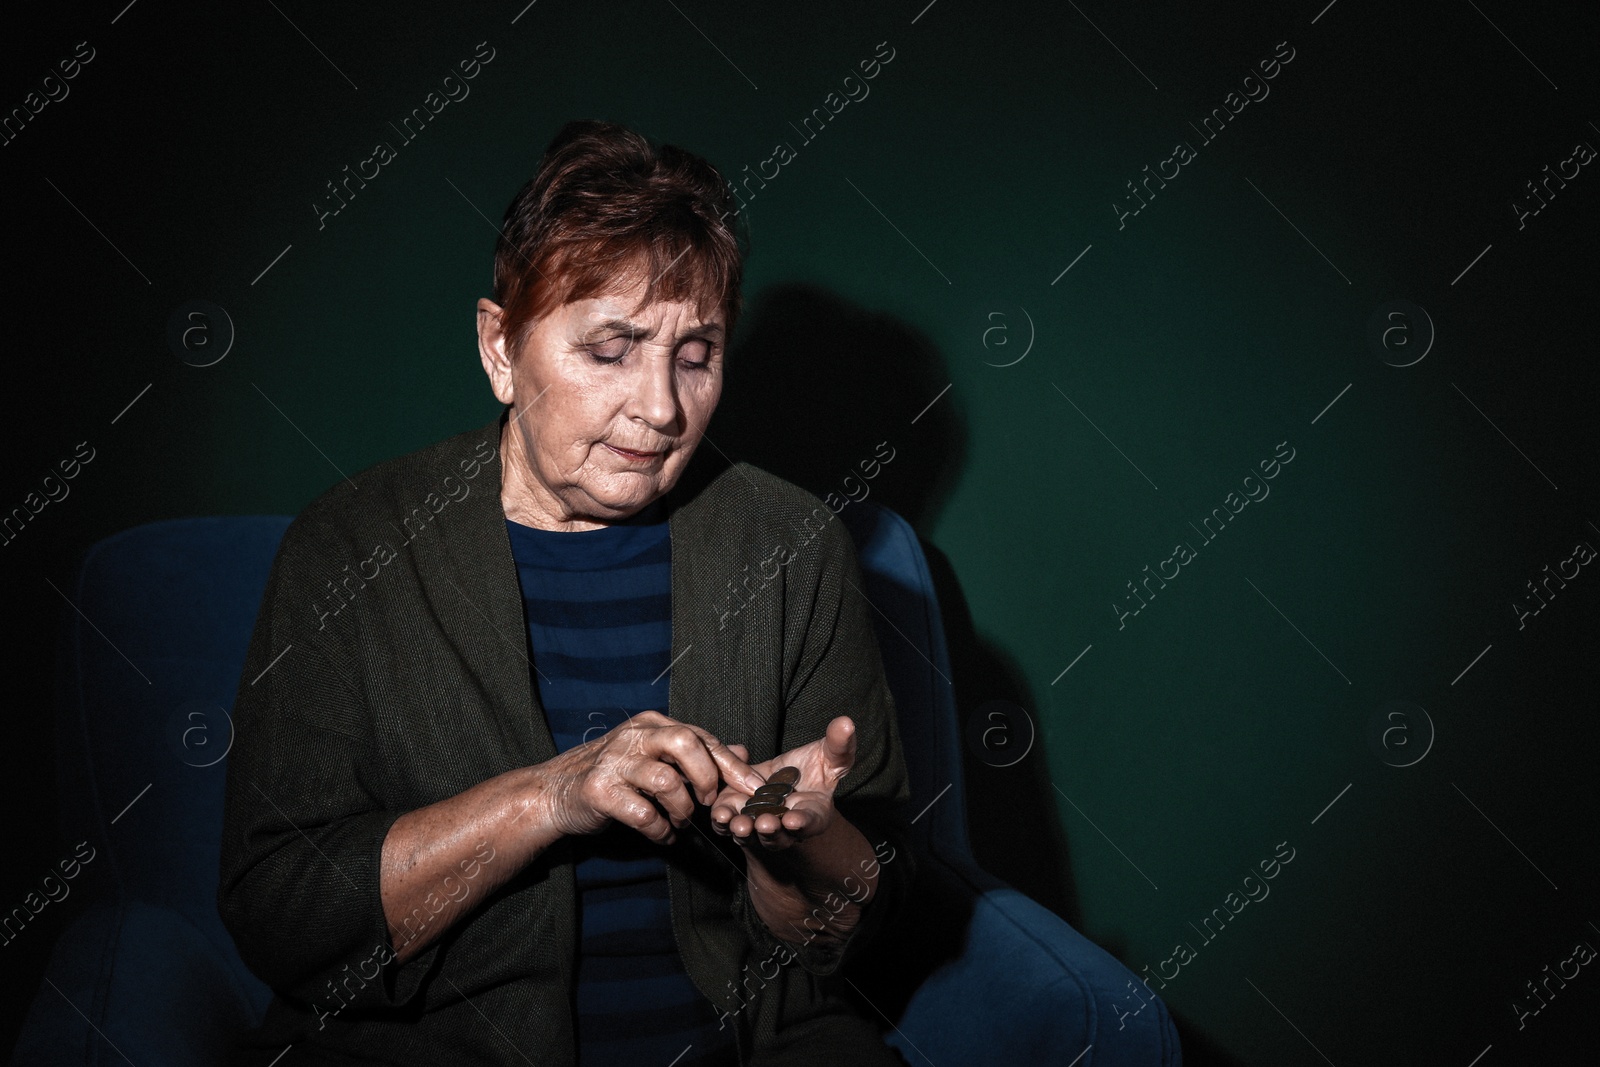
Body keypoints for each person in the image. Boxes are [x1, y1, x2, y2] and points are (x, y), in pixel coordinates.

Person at [217, 119, 917, 1067]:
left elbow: (842, 939)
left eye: (696, 353)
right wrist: (552, 796)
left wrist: (804, 851)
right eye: (611, 348)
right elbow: (282, 911)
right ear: (500, 348)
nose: (662, 408)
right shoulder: (351, 546)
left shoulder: (791, 544)